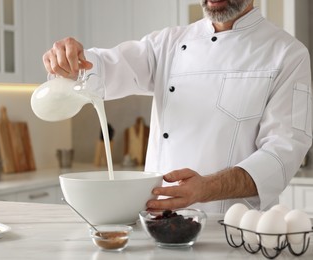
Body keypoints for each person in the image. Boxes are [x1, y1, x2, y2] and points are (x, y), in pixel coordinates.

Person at [42, 0, 312, 213]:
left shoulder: (288, 54)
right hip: (159, 223)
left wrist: (206, 188)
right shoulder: (168, 44)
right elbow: (108, 67)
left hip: (235, 229)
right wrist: (75, 59)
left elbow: (282, 154)